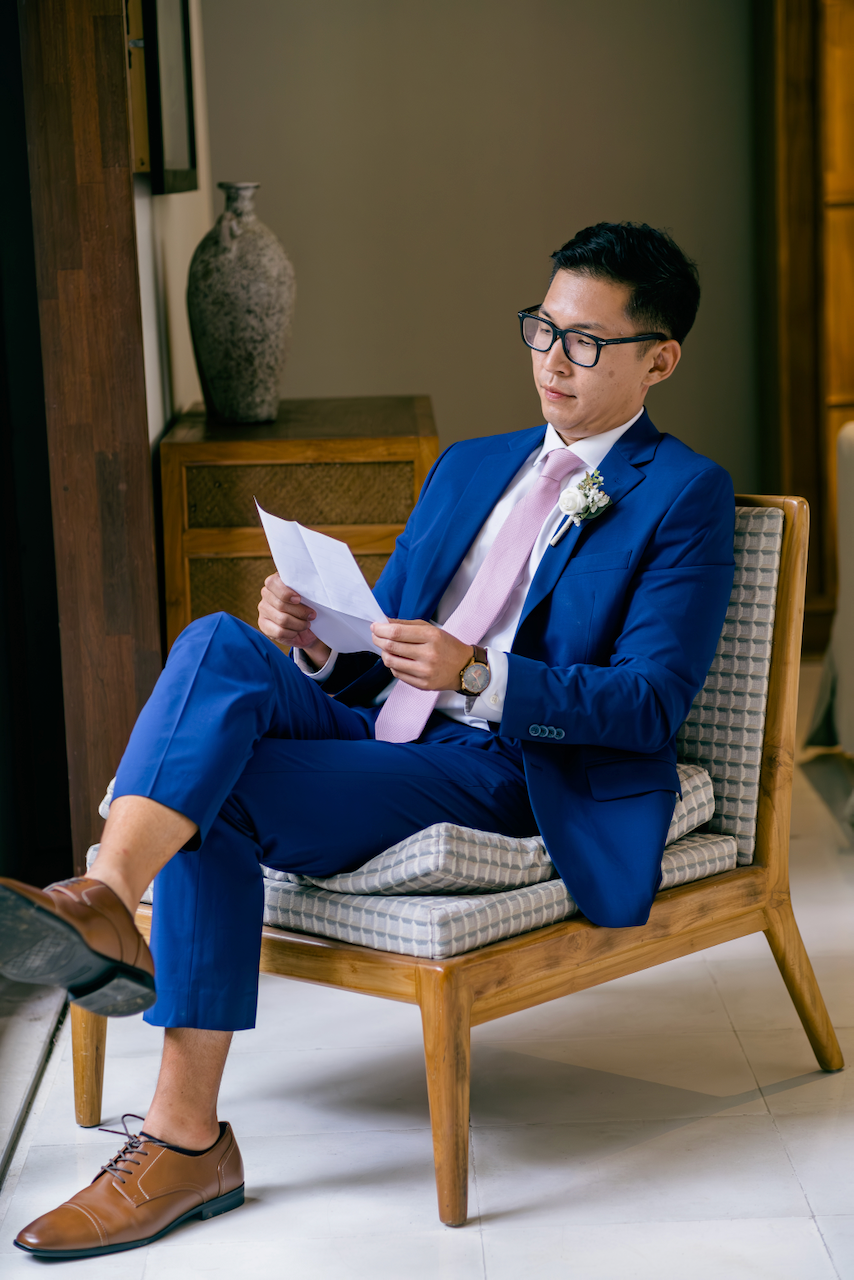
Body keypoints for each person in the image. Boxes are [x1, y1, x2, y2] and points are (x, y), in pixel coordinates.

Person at [0, 222, 735, 1259]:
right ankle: (109, 899)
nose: (551, 359)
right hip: (379, 725)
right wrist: (314, 641)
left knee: (218, 789)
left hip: (501, 764)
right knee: (218, 639)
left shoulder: (683, 493)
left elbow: (648, 702)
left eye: (584, 342)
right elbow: (376, 650)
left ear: (658, 360)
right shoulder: (471, 465)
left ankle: (182, 1139)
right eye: (541, 329)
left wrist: (475, 674)